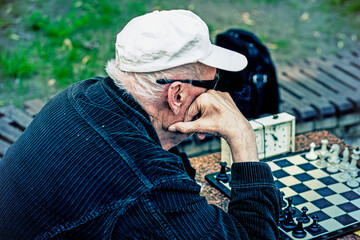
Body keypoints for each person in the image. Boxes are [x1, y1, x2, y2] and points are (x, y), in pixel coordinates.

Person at [0, 10, 280, 239]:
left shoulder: (80, 95)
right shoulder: (150, 185)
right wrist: (243, 137)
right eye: (212, 83)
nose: (218, 95)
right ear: (178, 94)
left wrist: (174, 135)